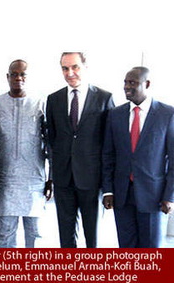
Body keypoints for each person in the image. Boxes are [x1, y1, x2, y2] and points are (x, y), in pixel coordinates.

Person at [46, 52, 114, 248]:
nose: (70, 73)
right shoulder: (54, 99)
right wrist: (53, 174)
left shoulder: (104, 98)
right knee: (65, 236)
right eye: (65, 68)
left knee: (93, 236)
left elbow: (109, 143)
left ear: (85, 66)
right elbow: (52, 139)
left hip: (91, 179)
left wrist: (107, 183)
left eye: (75, 67)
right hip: (63, 178)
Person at [102, 67, 174, 247]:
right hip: (122, 195)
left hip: (153, 196)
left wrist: (170, 196)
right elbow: (108, 155)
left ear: (147, 84)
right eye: (125, 82)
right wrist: (108, 190)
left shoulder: (167, 114)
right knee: (126, 248)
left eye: (132, 83)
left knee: (150, 251)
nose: (127, 87)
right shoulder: (115, 114)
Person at [0, 60, 51, 248]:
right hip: (6, 181)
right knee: (5, 233)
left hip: (34, 182)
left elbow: (50, 146)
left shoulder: (40, 105)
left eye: (23, 74)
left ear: (28, 77)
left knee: (35, 234)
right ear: (7, 77)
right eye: (14, 74)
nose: (18, 78)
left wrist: (52, 178)